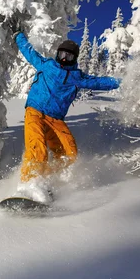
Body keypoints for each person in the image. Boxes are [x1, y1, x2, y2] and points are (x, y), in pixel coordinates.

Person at [12, 30, 122, 203]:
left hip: (55, 119)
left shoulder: (77, 77)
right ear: (57, 54)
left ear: (74, 59)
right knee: (38, 149)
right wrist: (19, 36)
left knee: (69, 153)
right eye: (62, 54)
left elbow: (99, 82)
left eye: (69, 56)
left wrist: (121, 82)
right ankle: (28, 184)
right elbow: (29, 52)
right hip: (35, 111)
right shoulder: (46, 65)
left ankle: (44, 179)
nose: (64, 58)